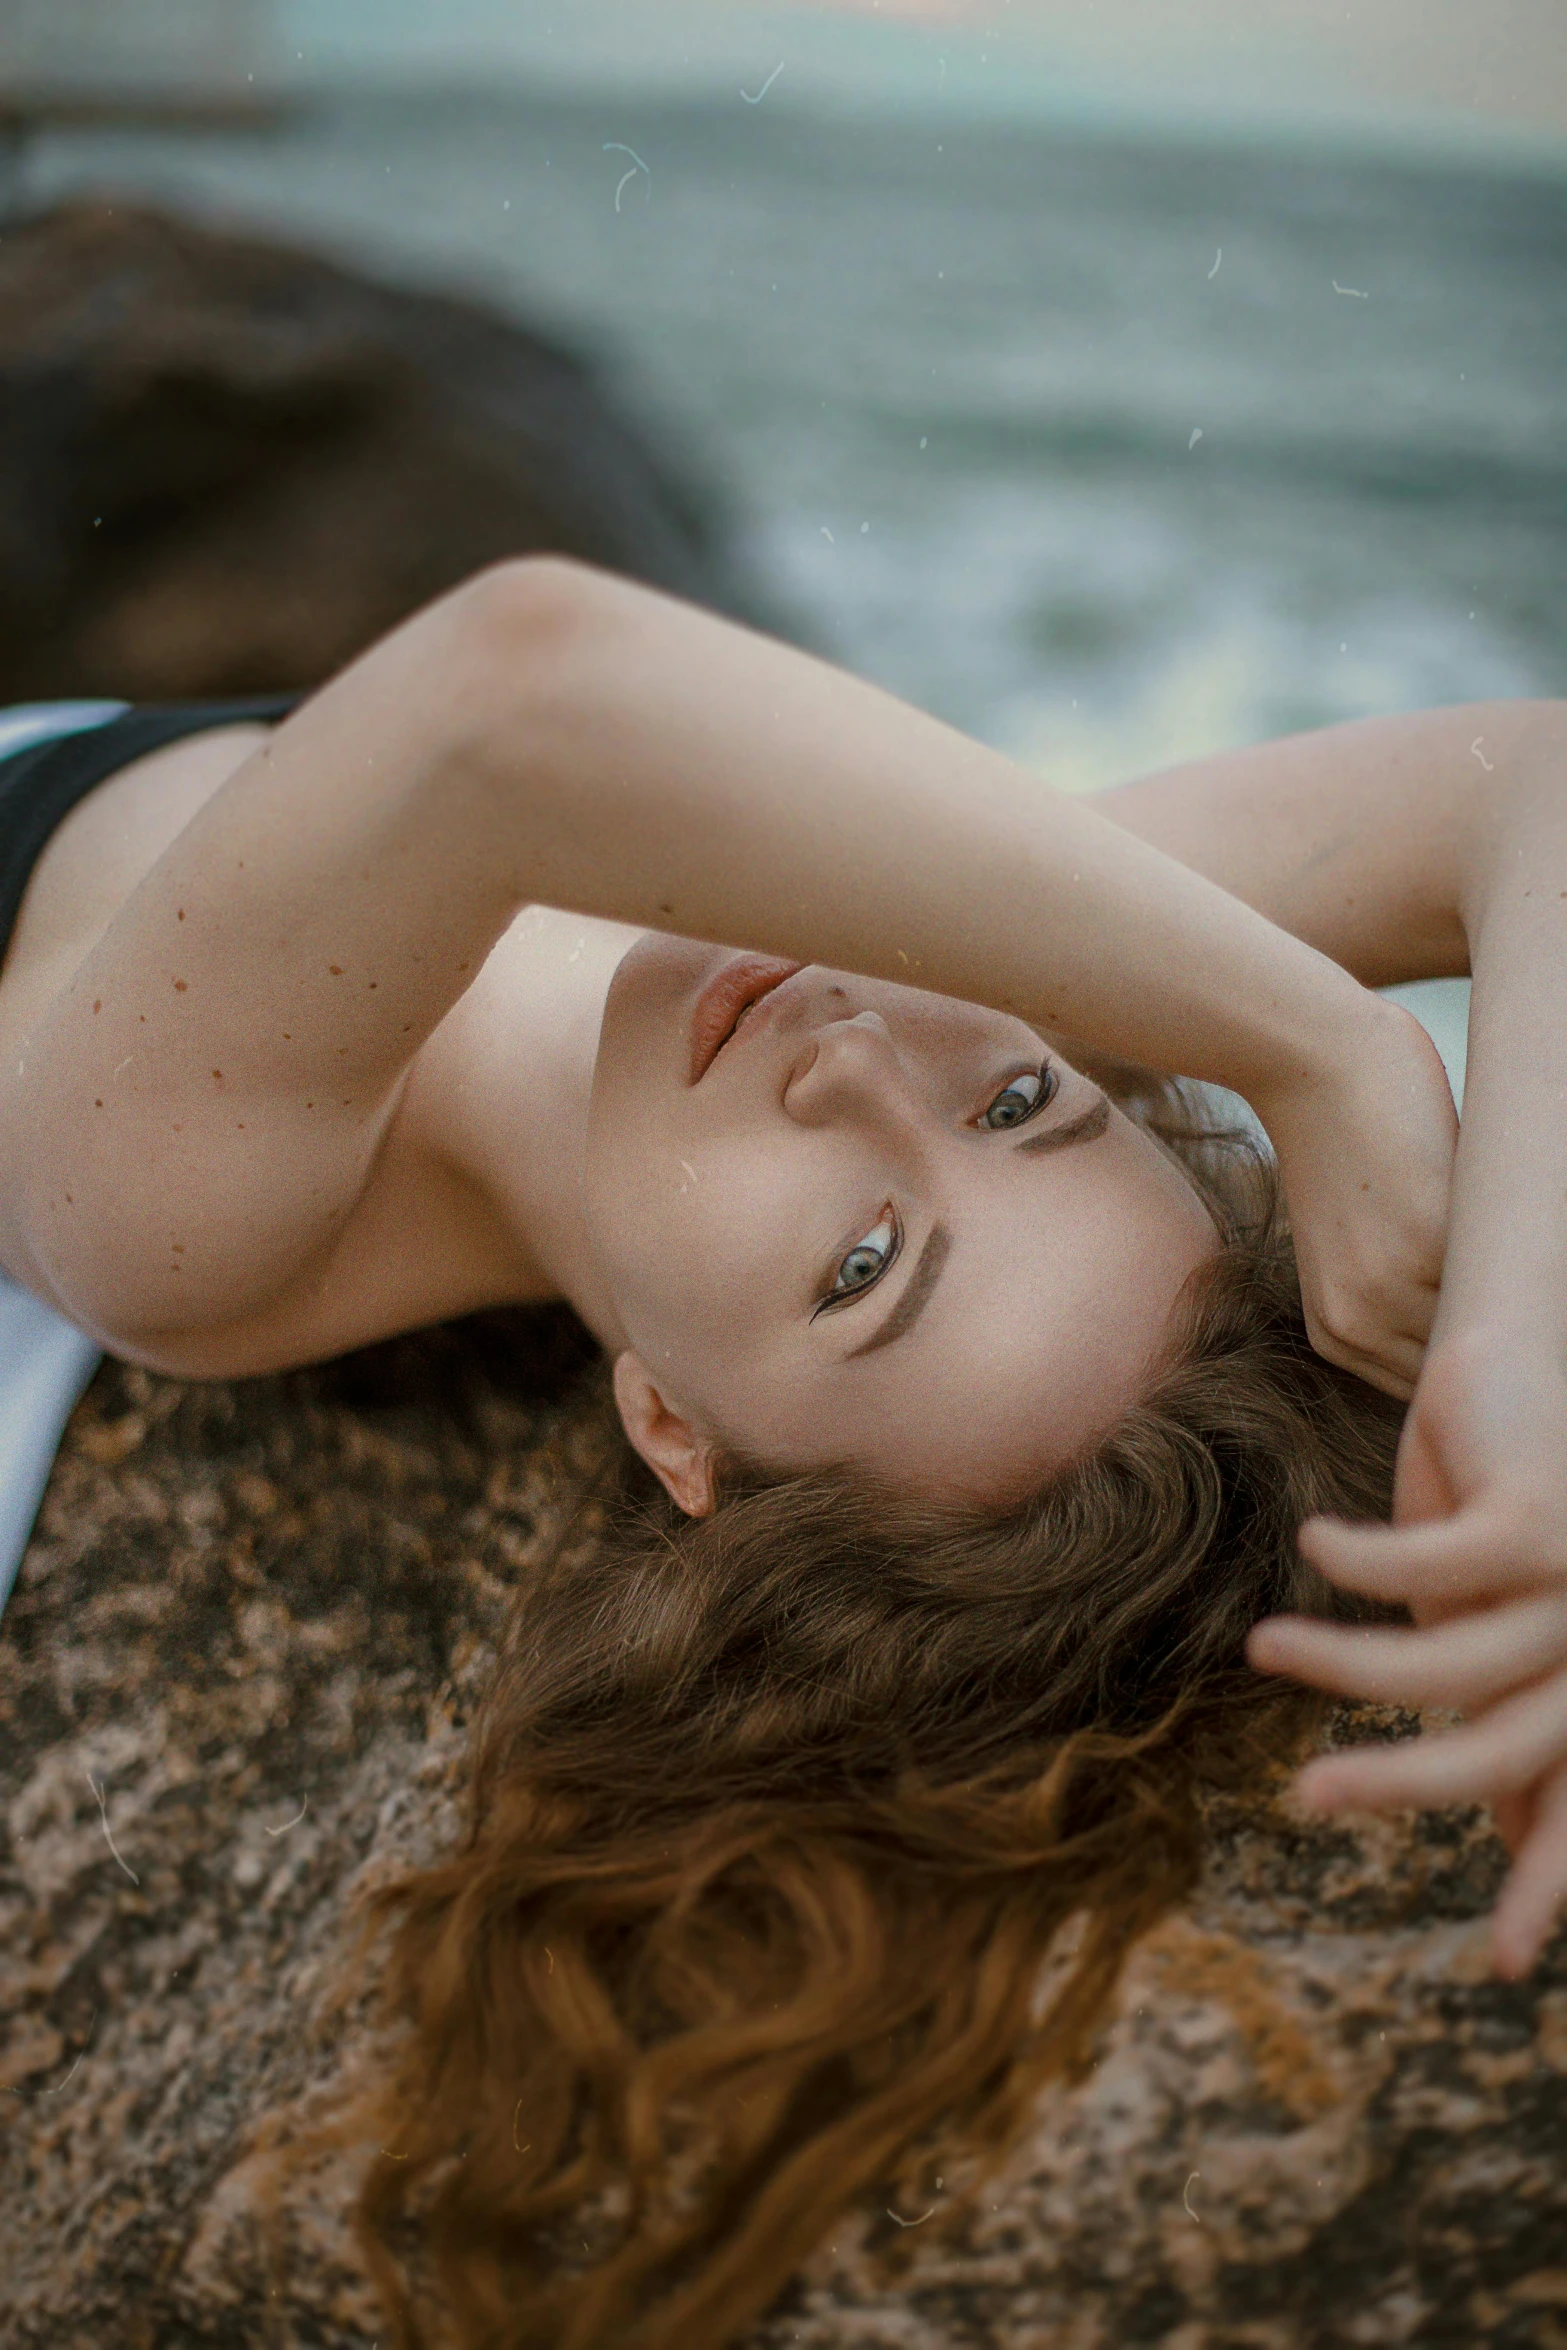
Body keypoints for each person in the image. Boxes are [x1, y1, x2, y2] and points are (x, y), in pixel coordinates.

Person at [0, 560, 1562, 2349]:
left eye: (861, 1265)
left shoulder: (175, 1217)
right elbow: (1535, 780)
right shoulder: (927, 973)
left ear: (671, 1427)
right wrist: (1516, 1341)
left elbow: (514, 688)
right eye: (1024, 1106)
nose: (857, 1058)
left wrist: (1315, 1036)